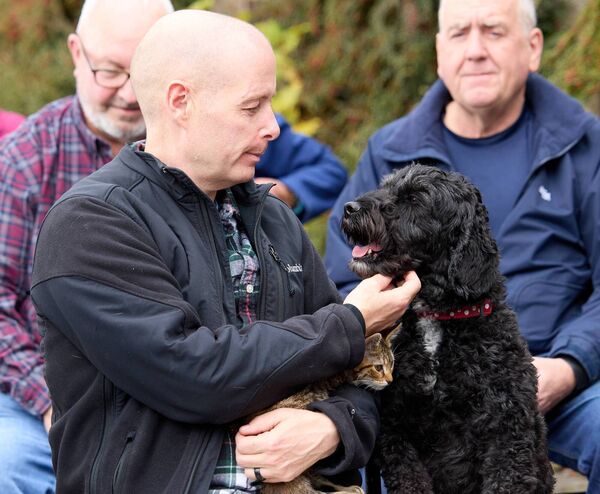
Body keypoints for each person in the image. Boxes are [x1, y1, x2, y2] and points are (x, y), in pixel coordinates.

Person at [30, 9, 421, 493]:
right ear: (181, 102)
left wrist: (331, 429)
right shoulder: (90, 223)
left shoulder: (273, 218)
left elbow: (360, 381)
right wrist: (352, 323)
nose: (273, 127)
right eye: (251, 106)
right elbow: (194, 375)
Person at [325, 0, 600, 491]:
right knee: (394, 452)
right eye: (458, 33)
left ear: (533, 48)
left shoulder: (586, 147)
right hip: (419, 384)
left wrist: (572, 363)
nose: (474, 51)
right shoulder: (389, 151)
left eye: (493, 31)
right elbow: (348, 276)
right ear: (438, 52)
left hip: (565, 377)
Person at [0, 1, 175, 493]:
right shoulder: (24, 160)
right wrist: (49, 400)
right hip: (40, 388)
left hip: (170, 385)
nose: (127, 91)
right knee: (8, 464)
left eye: (141, 72)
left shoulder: (195, 152)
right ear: (76, 53)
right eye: (109, 71)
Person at [255, 113, 347, 222]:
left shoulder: (262, 134)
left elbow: (331, 171)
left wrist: (285, 191)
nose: (274, 128)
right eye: (251, 107)